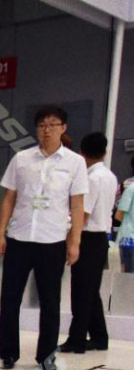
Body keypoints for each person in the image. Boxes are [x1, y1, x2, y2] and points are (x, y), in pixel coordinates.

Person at [0, 105, 88, 370]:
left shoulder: (75, 163)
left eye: (53, 125)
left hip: (52, 240)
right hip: (19, 237)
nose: (47, 130)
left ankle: (46, 354)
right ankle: (8, 353)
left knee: (50, 301)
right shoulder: (21, 159)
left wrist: (75, 242)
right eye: (42, 125)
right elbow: (9, 198)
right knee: (10, 298)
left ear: (63, 128)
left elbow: (77, 205)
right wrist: (1, 233)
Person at [58, 133, 117, 354]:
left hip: (88, 238)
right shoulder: (109, 176)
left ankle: (77, 340)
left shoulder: (91, 179)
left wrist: (70, 241)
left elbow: (83, 214)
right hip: (101, 238)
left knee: (81, 291)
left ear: (82, 153)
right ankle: (99, 337)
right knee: (91, 291)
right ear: (104, 151)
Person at [115, 182, 134, 274]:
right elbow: (119, 214)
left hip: (129, 239)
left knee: (128, 276)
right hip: (129, 240)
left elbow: (119, 215)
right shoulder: (131, 189)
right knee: (128, 276)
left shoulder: (131, 188)